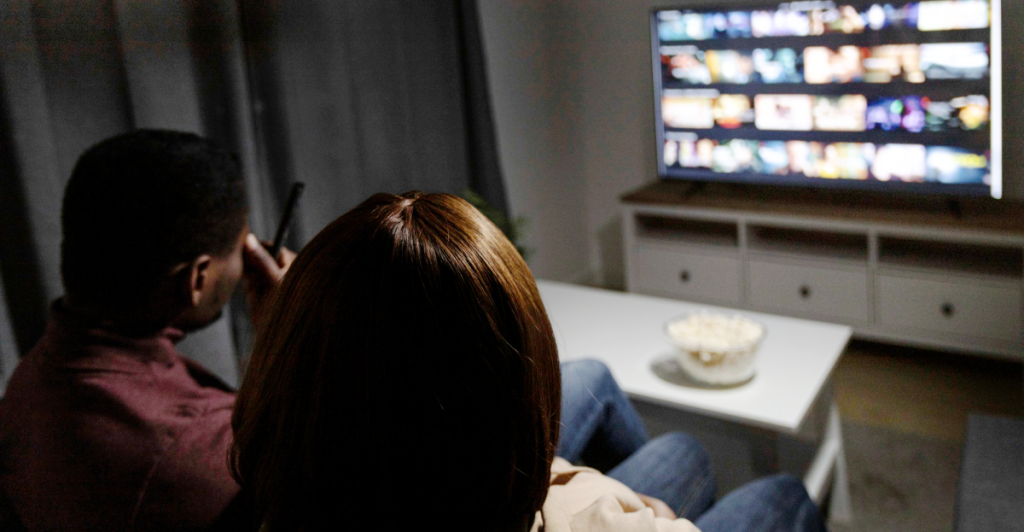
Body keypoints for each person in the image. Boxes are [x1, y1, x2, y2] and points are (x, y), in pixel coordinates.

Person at [230, 191, 827, 532]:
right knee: (783, 495)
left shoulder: (273, 492)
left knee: (682, 449)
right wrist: (629, 509)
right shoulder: (595, 520)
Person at [0, 130, 293, 531]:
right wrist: (292, 336)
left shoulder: (30, 382)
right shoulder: (197, 447)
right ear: (197, 278)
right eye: (242, 247)